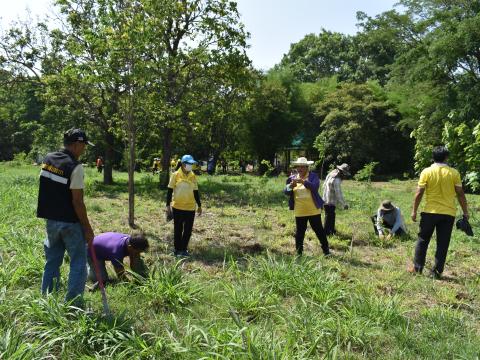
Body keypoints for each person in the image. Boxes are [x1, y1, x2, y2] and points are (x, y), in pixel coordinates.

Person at [37, 128, 95, 304]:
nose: (84, 149)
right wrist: (87, 228)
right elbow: (78, 202)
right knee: (78, 262)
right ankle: (73, 305)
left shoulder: (48, 160)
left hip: (51, 221)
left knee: (52, 261)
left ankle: (48, 301)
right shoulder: (75, 167)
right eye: (84, 145)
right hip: (70, 223)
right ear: (76, 144)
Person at [410, 146, 469, 279]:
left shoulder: (427, 171)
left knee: (423, 239)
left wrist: (414, 211)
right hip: (448, 214)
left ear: (433, 157)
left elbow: (419, 192)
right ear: (446, 157)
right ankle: (436, 272)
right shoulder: (454, 173)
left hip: (429, 212)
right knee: (443, 243)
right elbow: (460, 194)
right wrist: (465, 212)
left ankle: (417, 268)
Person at [284, 157, 330, 256]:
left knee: (319, 231)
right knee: (299, 233)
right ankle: (299, 253)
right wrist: (290, 186)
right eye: (298, 167)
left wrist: (303, 182)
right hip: (300, 210)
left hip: (313, 210)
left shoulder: (313, 176)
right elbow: (286, 192)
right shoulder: (292, 178)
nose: (299, 169)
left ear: (307, 167)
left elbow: (315, 188)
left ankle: (326, 251)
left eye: (302, 167)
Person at [166, 154, 202, 257]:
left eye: (191, 164)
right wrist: (167, 206)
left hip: (190, 208)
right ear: (182, 164)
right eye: (188, 163)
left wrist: (199, 205)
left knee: (188, 230)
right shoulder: (175, 175)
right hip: (177, 207)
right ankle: (177, 250)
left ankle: (184, 249)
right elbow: (169, 191)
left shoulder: (193, 175)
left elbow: (196, 192)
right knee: (178, 230)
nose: (190, 165)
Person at [322, 163, 350, 236]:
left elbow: (324, 185)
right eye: (344, 174)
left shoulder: (331, 173)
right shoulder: (337, 180)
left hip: (325, 198)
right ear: (342, 172)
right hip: (330, 200)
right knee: (329, 217)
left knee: (331, 215)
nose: (345, 176)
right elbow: (338, 194)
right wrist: (344, 204)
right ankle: (326, 233)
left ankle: (332, 231)